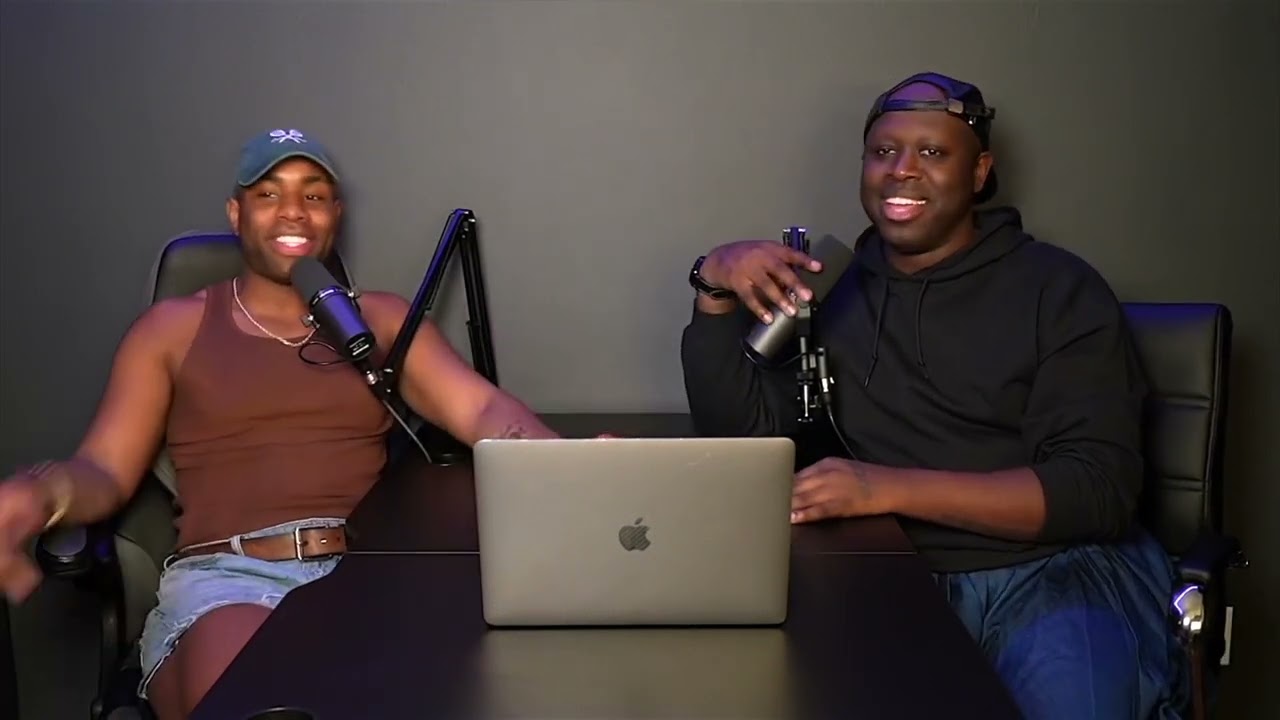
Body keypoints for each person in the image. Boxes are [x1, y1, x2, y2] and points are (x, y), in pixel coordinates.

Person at [0, 128, 560, 719]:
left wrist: (571, 466)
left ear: (334, 215)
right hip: (228, 583)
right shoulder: (171, 329)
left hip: (368, 579)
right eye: (268, 194)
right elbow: (104, 470)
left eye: (313, 195)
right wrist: (42, 494)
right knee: (259, 688)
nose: (293, 210)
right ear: (235, 213)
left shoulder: (380, 320)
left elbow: (481, 411)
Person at [679, 72, 1188, 719]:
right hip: (885, 573)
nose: (901, 170)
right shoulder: (829, 288)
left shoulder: (1060, 289)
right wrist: (714, 286)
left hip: (1053, 571)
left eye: (932, 152)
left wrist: (884, 487)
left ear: (979, 173)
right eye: (884, 151)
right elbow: (746, 436)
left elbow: (1096, 491)